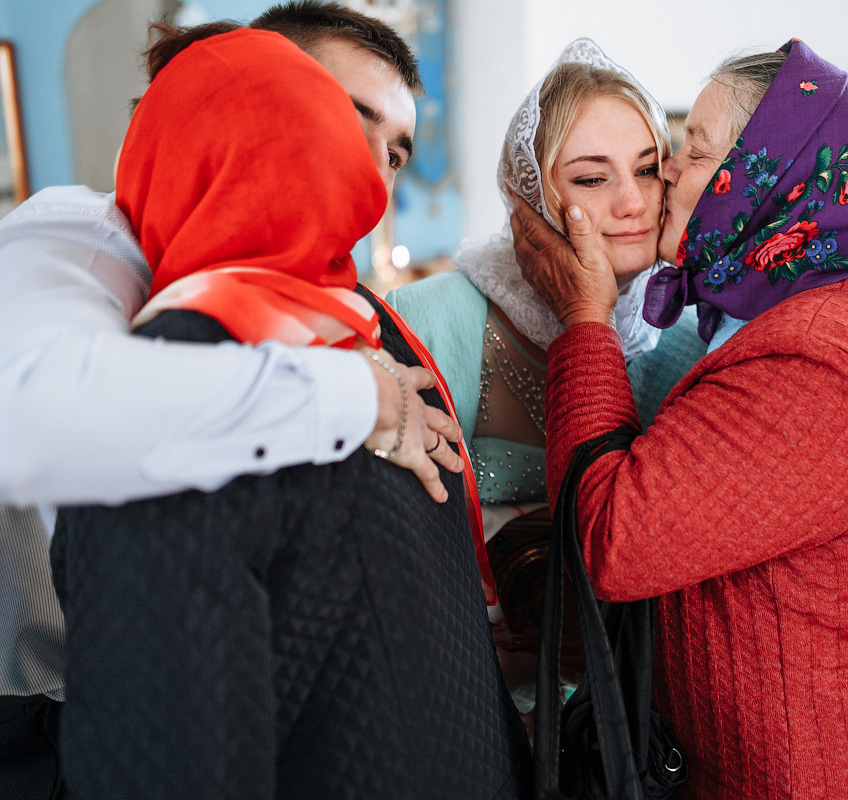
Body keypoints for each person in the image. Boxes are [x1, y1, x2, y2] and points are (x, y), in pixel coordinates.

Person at [50, 25, 531, 800]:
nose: (371, 178)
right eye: (333, 118)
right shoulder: (171, 365)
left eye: (396, 152)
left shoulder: (367, 324)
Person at [512, 39, 848, 800]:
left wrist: (584, 316)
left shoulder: (827, 357)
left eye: (689, 154)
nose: (661, 183)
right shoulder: (791, 311)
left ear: (770, 179)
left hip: (828, 774)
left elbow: (613, 540)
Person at [386, 38, 706, 726]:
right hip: (456, 695)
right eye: (592, 178)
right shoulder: (433, 319)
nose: (632, 202)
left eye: (648, 170)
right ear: (528, 194)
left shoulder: (683, 339)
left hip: (624, 712)